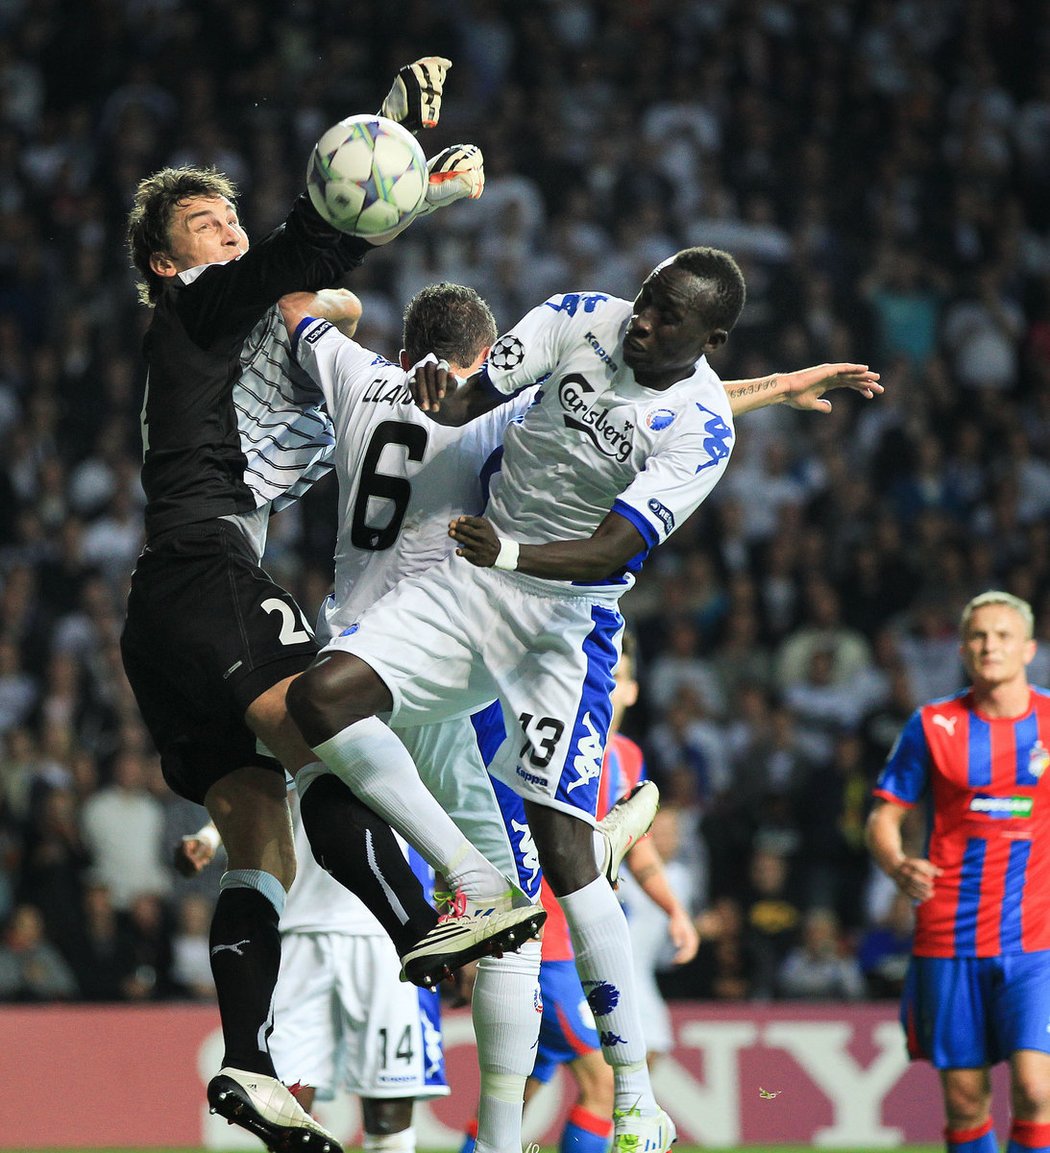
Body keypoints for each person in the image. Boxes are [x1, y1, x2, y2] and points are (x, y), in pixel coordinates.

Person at [282, 246, 881, 1150]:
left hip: (564, 620)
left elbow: (611, 551)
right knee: (321, 700)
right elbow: (490, 394)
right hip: (467, 583)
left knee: (565, 858)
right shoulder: (579, 316)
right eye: (644, 301)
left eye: (667, 317)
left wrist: (512, 553)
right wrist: (451, 394)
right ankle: (473, 890)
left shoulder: (703, 429)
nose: (641, 320)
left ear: (709, 338)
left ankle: (637, 1093)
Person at [118, 57, 519, 1153]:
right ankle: (438, 907)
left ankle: (250, 1064)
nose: (228, 233)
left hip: (164, 603)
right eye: (206, 223)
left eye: (228, 217)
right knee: (340, 727)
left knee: (259, 830)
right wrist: (392, 137)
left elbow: (310, 278)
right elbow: (305, 257)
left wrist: (413, 185)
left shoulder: (238, 337)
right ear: (168, 260)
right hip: (208, 570)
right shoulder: (196, 309)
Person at [461, 630, 699, 1153]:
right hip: (550, 945)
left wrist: (674, 910)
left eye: (617, 680)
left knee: (514, 1093)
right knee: (605, 1083)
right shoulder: (545, 741)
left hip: (575, 943)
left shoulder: (628, 757)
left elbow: (635, 849)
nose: (605, 688)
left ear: (633, 692)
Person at [866, 590, 1050, 1153]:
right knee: (966, 1100)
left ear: (1028, 649)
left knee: (1034, 1089)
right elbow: (884, 815)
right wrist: (898, 865)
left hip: (1035, 940)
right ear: (964, 649)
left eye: (1001, 636)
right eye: (978, 636)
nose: (988, 645)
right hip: (949, 936)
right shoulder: (933, 724)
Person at [177, 792, 449, 1153]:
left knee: (389, 1109)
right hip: (299, 930)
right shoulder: (296, 732)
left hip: (386, 933)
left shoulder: (405, 736)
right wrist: (212, 835)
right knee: (287, 1107)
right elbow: (263, 785)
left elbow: (440, 800)